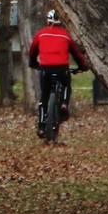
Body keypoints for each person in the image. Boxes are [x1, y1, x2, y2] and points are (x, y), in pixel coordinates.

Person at [28, 9, 89, 140]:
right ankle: (64, 104)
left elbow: (32, 51)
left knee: (43, 98)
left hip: (45, 69)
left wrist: (33, 63)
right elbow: (77, 54)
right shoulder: (65, 36)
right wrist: (82, 67)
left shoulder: (41, 34)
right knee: (67, 84)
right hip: (62, 68)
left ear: (48, 20)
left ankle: (41, 127)